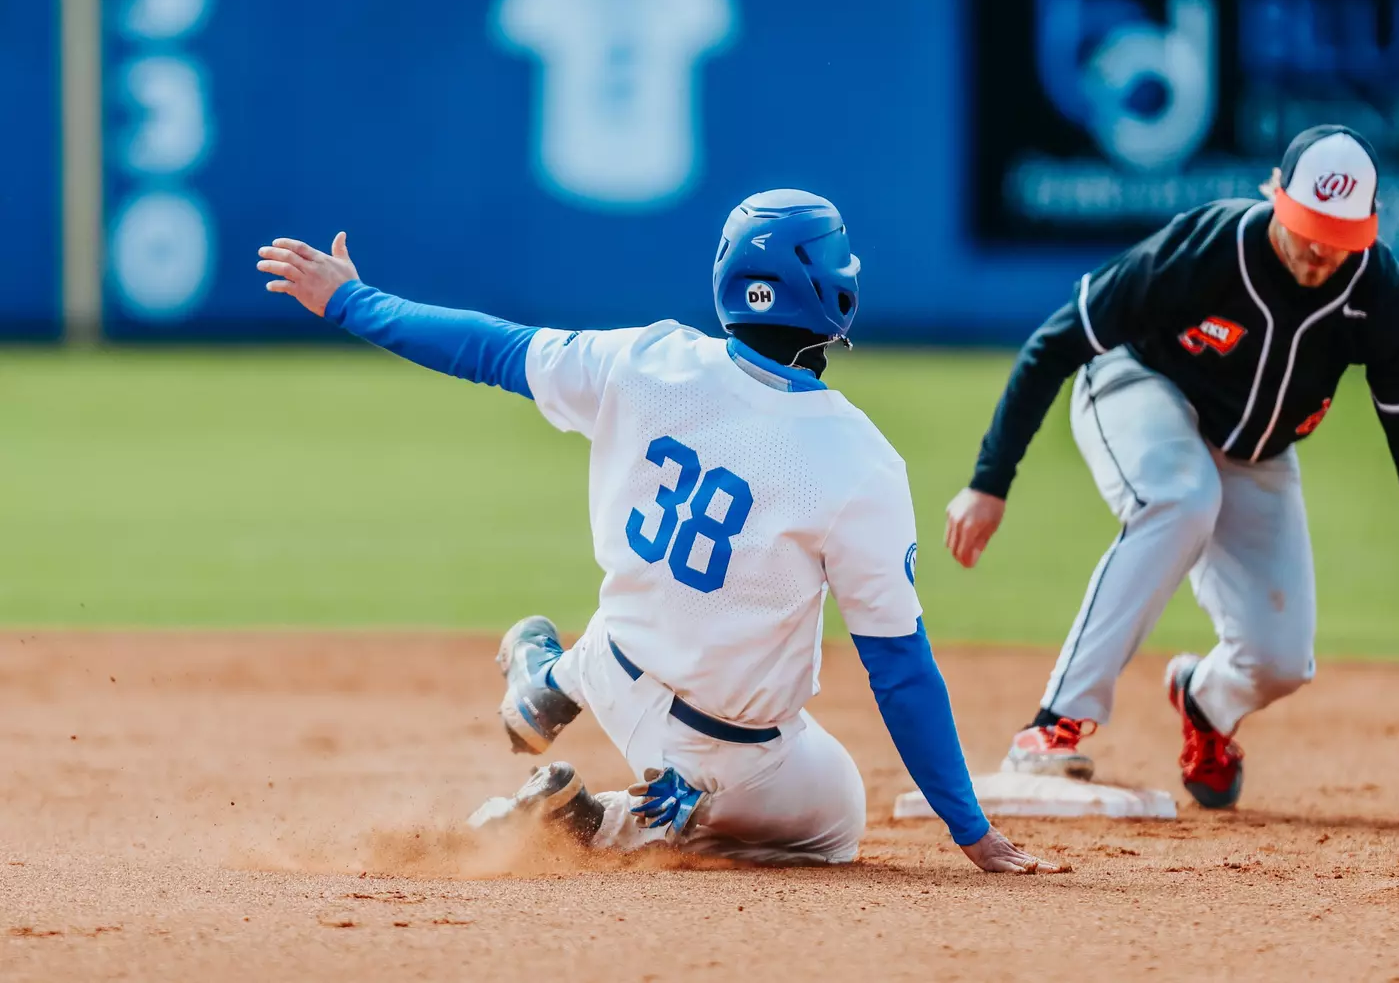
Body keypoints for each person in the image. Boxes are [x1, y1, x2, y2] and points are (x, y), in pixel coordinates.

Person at [258, 189, 1061, 872]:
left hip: (617, 668)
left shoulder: (644, 360)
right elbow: (899, 668)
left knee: (654, 594)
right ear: (832, 293)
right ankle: (634, 815)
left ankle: (555, 685)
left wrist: (349, 298)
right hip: (732, 756)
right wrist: (972, 830)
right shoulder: (860, 460)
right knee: (837, 815)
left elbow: (485, 348)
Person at [943, 126, 1399, 808]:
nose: (1320, 248)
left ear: (1370, 227)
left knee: (1281, 659)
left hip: (1256, 451)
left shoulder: (1380, 296)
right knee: (1181, 497)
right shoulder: (1207, 248)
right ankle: (1051, 728)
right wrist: (990, 481)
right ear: (1275, 195)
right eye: (1309, 225)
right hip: (1137, 385)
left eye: (1341, 234)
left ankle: (1204, 702)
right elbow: (1056, 342)